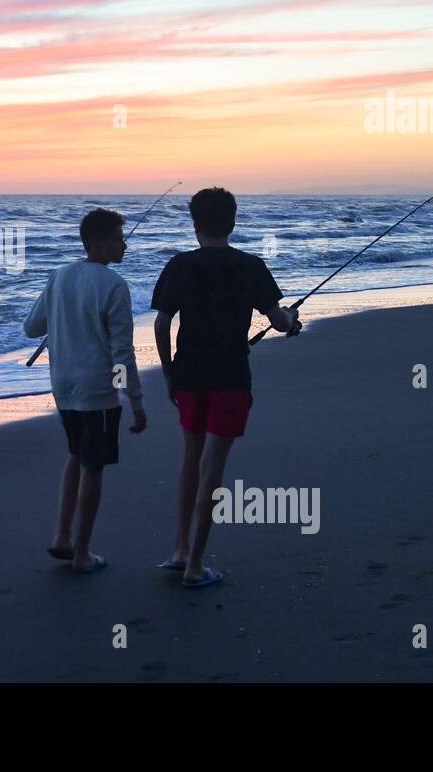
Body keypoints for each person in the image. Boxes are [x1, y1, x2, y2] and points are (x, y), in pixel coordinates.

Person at [151, 187, 299, 588]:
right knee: (212, 468)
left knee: (190, 459)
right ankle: (196, 565)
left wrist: (168, 373)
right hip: (230, 377)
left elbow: (162, 323)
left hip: (189, 376)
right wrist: (289, 318)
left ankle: (180, 550)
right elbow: (280, 321)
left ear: (195, 224)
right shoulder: (250, 266)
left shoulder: (180, 265)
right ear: (232, 223)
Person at [24, 207, 148, 574]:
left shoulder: (59, 276)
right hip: (98, 392)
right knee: (93, 468)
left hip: (63, 386)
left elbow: (32, 327)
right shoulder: (114, 286)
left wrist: (65, 317)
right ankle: (81, 553)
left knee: (77, 455)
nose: (123, 246)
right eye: (116, 239)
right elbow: (122, 352)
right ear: (97, 243)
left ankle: (62, 536)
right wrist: (137, 402)